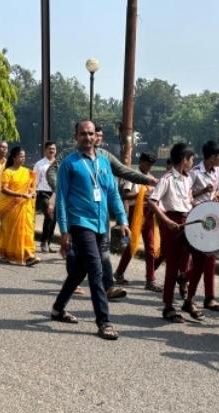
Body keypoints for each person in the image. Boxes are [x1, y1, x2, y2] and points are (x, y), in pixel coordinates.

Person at [50, 120, 129, 340]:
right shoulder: (69, 163)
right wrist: (64, 231)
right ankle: (104, 322)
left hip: (101, 224)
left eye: (91, 133)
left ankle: (58, 308)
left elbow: (113, 193)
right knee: (96, 270)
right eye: (83, 134)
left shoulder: (104, 163)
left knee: (79, 271)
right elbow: (62, 199)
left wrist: (122, 219)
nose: (87, 137)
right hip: (80, 224)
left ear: (96, 136)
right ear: (76, 136)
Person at [148, 143, 197, 323]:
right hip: (172, 223)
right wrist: (166, 220)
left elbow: (189, 200)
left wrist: (201, 206)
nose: (193, 162)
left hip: (187, 221)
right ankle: (168, 306)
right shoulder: (167, 178)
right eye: (191, 159)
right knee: (173, 265)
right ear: (184, 160)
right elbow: (152, 201)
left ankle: (186, 292)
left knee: (194, 260)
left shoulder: (187, 179)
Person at [185, 140, 219, 316]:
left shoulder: (218, 171)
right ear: (211, 157)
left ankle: (208, 296)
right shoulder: (194, 173)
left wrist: (217, 196)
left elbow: (218, 191)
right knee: (202, 259)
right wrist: (202, 192)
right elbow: (186, 197)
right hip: (197, 219)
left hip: (212, 219)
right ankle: (194, 295)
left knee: (210, 259)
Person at [113, 153, 162, 292]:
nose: (148, 167)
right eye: (146, 164)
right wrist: (140, 195)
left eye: (150, 165)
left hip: (149, 214)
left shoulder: (151, 178)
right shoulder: (133, 176)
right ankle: (119, 272)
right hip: (136, 213)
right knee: (132, 246)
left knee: (150, 247)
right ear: (140, 162)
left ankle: (150, 280)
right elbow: (124, 195)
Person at [0, 146, 38, 266]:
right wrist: (20, 194)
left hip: (25, 206)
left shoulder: (27, 172)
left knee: (27, 230)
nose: (23, 159)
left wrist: (32, 192)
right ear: (14, 157)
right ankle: (13, 254)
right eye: (20, 156)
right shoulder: (8, 172)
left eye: (24, 156)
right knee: (13, 231)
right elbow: (4, 189)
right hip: (11, 207)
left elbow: (31, 187)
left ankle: (28, 255)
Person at [33, 141, 58, 253]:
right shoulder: (39, 164)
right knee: (49, 215)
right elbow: (34, 180)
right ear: (45, 150)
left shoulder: (59, 163)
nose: (52, 151)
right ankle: (44, 242)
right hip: (44, 193)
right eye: (49, 149)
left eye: (53, 149)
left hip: (56, 193)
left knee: (54, 219)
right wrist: (33, 193)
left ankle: (48, 242)